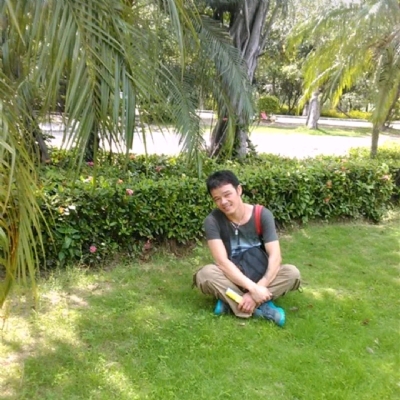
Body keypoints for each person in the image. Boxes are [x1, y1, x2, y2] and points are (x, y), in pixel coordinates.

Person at [194, 170, 301, 327]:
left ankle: (231, 302)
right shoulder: (212, 221)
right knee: (205, 274)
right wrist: (253, 289)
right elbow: (222, 262)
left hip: (261, 275)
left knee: (292, 273)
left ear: (239, 190)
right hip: (233, 277)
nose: (223, 202)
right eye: (217, 199)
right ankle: (262, 307)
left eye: (227, 194)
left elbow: (275, 256)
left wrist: (258, 288)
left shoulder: (262, 214)